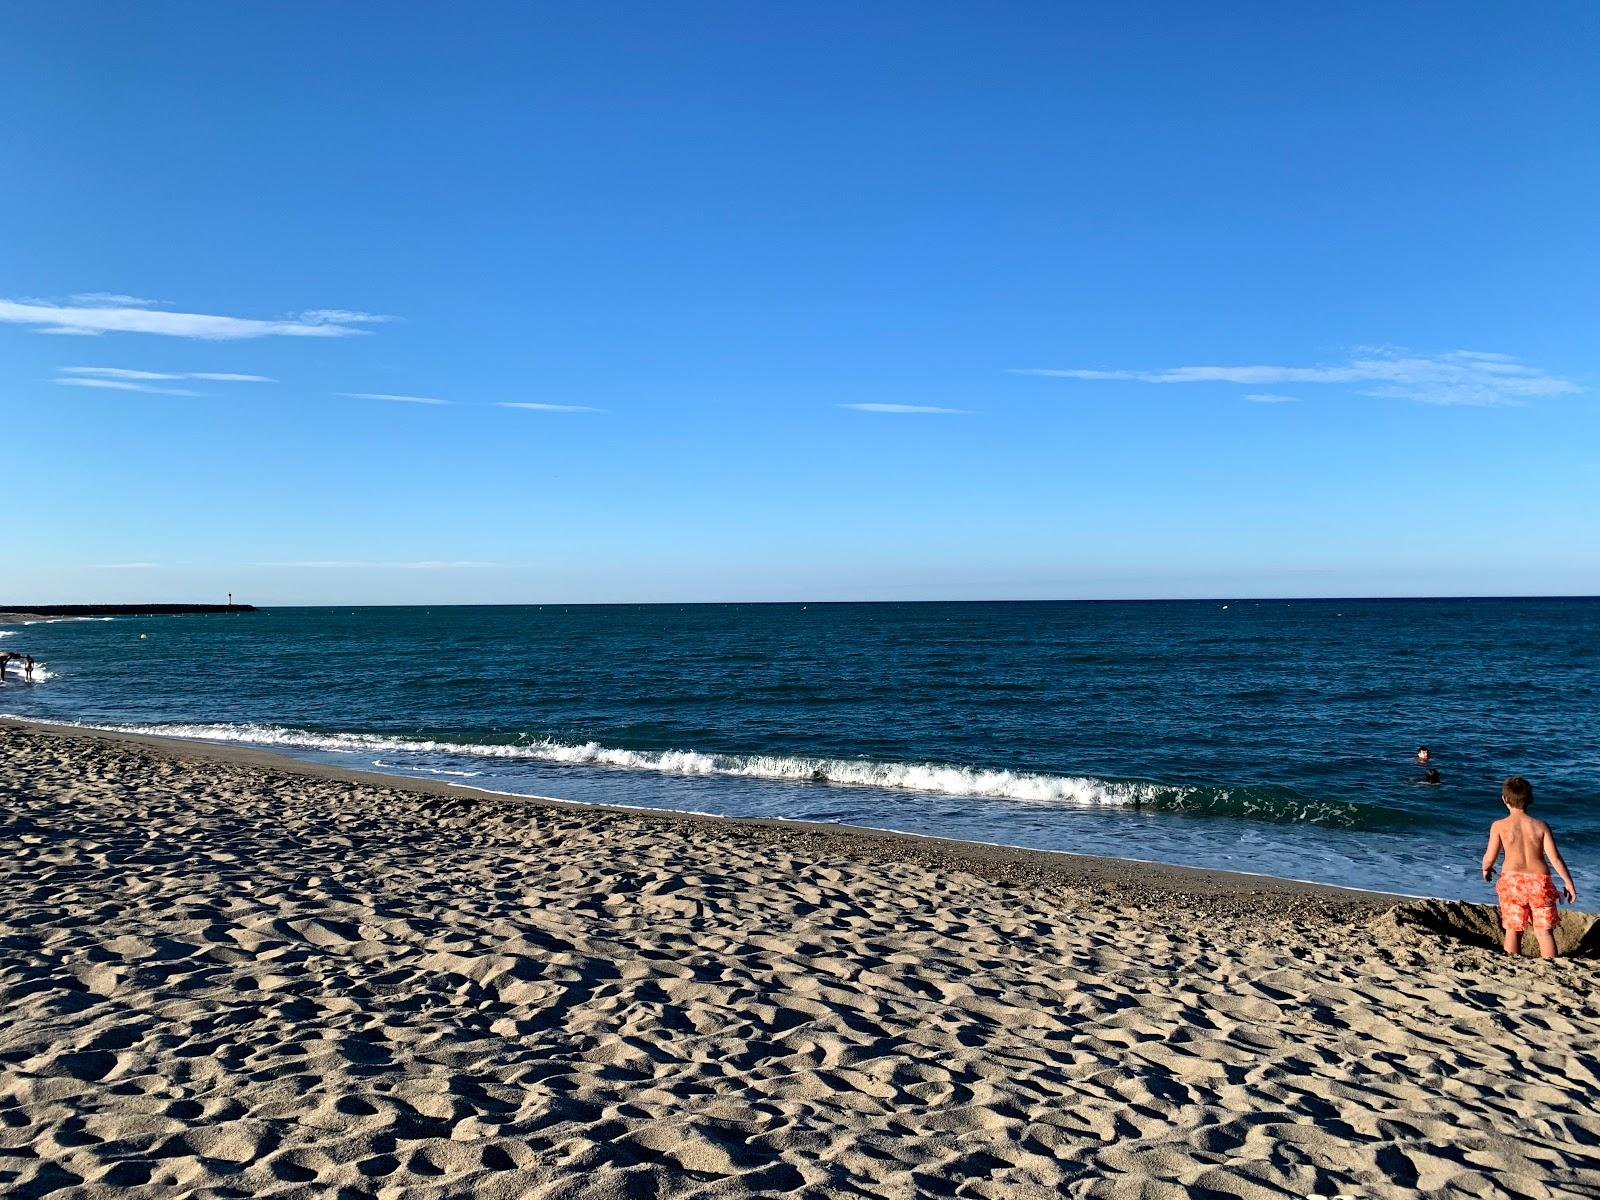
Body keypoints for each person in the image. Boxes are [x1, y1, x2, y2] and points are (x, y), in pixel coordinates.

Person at [1481, 776, 1577, 959]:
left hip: (1512, 882)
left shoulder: (1499, 826)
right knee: (1544, 931)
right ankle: (1551, 966)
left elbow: (1489, 857)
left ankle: (1511, 963)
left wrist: (1486, 869)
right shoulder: (1541, 826)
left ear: (1504, 799)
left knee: (1513, 929)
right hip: (1540, 883)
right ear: (1530, 800)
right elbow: (1555, 858)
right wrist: (1568, 882)